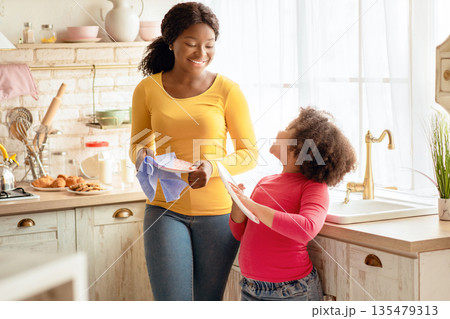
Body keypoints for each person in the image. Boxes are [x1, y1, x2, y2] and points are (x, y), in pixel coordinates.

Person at [130, 2, 258, 301]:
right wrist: (142, 157)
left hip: (218, 213)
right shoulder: (147, 89)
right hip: (165, 210)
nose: (201, 53)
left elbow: (248, 153)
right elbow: (137, 142)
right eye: (191, 44)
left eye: (209, 45)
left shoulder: (228, 90)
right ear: (171, 42)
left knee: (206, 302)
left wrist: (212, 167)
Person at [229, 107, 357, 301]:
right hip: (251, 288)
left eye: (289, 127)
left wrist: (251, 205)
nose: (281, 129)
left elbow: (306, 228)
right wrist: (238, 203)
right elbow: (239, 232)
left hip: (291, 291)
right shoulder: (265, 182)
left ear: (299, 146)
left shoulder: (313, 187)